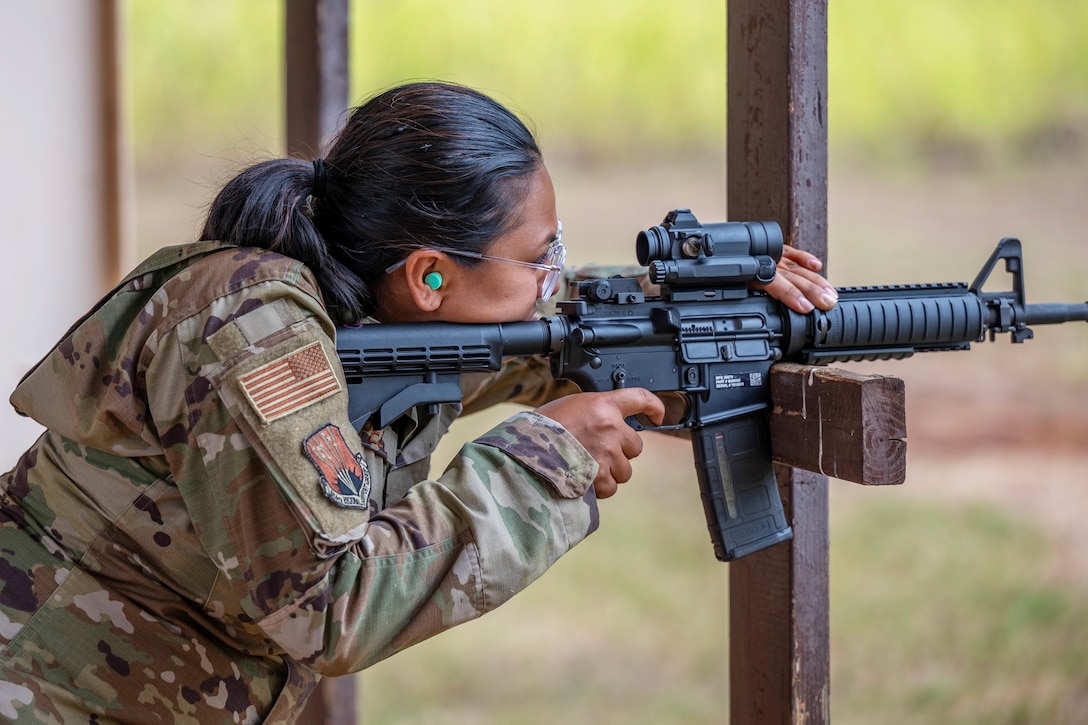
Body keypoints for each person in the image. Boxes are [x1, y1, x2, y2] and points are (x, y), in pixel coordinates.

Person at [0, 81, 837, 723]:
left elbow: (523, 345)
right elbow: (326, 608)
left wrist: (688, 310)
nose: (552, 280)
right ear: (430, 275)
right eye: (541, 258)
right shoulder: (254, 333)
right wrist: (540, 459)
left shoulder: (365, 302)